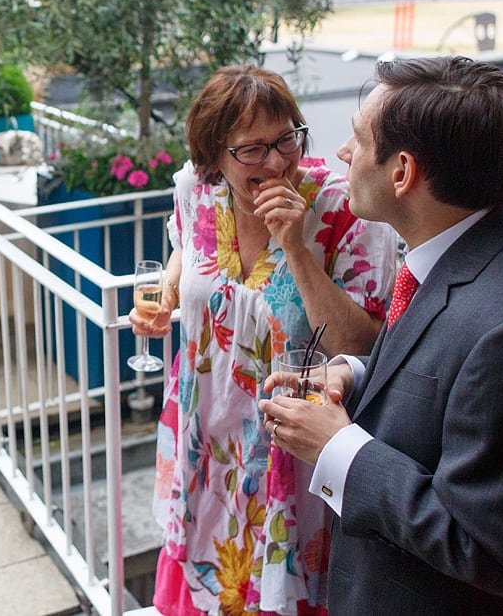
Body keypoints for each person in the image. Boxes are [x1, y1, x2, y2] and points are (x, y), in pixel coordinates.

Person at [260, 56, 503, 614]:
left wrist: (338, 447)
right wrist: (355, 373)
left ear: (402, 173)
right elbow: (447, 371)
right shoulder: (453, 252)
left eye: (359, 137)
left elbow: (497, 548)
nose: (343, 151)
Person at [129, 65, 396, 615]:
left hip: (289, 446)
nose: (276, 161)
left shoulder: (342, 206)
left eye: (286, 140)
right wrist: (170, 294)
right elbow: (187, 245)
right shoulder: (195, 188)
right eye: (252, 149)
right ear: (214, 157)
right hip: (205, 426)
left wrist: (297, 249)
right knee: (208, 568)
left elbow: (366, 344)